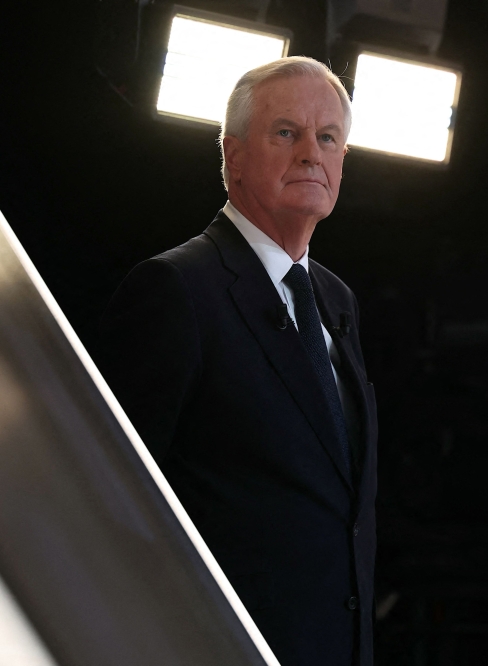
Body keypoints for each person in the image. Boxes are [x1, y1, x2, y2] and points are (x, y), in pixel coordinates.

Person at [99, 56, 377, 666]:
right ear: (232, 157)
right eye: (286, 132)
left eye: (327, 137)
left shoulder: (336, 301)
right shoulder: (176, 289)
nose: (311, 152)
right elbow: (112, 502)